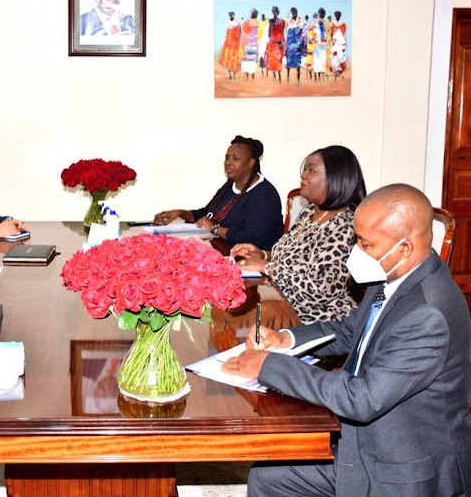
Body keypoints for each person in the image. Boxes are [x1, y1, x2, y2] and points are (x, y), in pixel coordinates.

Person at [223, 184, 471, 497]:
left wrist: (269, 365)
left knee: (272, 475)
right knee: (269, 475)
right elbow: (350, 329)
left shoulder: (428, 314)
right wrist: (284, 339)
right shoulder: (397, 275)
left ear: (405, 248)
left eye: (366, 244)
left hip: (404, 467)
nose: (356, 252)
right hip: (373, 439)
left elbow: (363, 399)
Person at [231, 145, 365, 323]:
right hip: (287, 304)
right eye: (305, 169)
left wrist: (266, 266)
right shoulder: (309, 212)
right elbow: (296, 260)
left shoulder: (343, 226)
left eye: (312, 170)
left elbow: (317, 292)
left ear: (336, 179)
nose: (303, 175)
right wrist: (262, 254)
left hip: (320, 322)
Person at [153, 135, 283, 252]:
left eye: (235, 158)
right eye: (226, 158)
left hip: (251, 261)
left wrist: (215, 228)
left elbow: (252, 239)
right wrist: (179, 213)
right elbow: (208, 213)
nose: (228, 162)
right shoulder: (229, 186)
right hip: (222, 248)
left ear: (251, 163)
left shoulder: (264, 195)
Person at [219, 11, 241, 79]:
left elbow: (239, 31)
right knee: (229, 58)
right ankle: (230, 74)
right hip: (229, 44)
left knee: (234, 58)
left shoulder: (237, 22)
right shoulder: (229, 23)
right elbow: (229, 33)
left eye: (232, 15)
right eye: (231, 15)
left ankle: (233, 74)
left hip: (235, 43)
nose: (232, 16)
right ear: (229, 16)